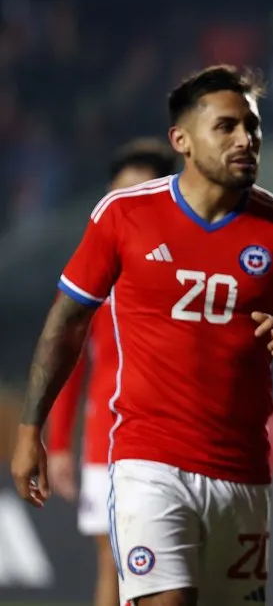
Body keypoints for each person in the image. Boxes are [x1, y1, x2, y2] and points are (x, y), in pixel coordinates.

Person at [11, 65, 273, 606]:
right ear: (182, 140)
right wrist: (32, 430)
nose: (246, 140)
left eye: (253, 128)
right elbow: (66, 322)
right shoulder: (125, 216)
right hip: (149, 462)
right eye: (227, 127)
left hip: (243, 472)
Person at [46, 139, 181, 606]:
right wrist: (59, 442)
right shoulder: (94, 273)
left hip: (179, 442)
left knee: (169, 573)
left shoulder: (194, 269)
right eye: (117, 195)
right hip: (108, 442)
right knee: (115, 563)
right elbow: (68, 358)